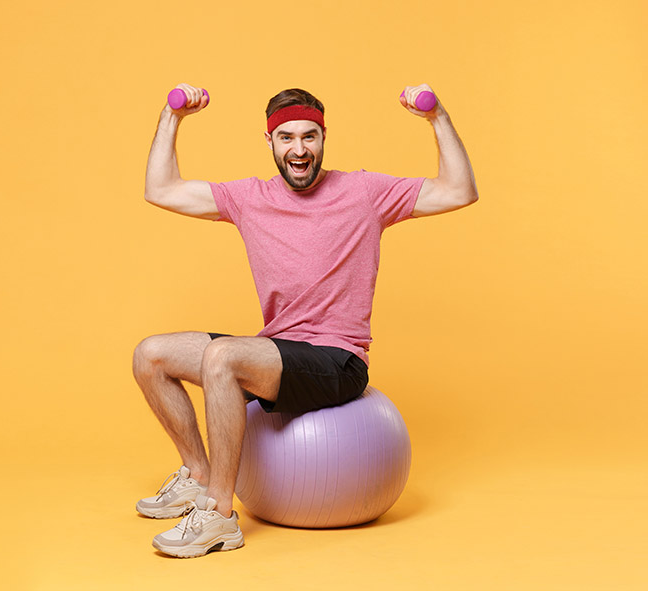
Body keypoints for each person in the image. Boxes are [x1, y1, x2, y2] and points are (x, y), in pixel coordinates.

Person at [134, 83, 478, 558]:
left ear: (323, 138)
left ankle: (219, 515)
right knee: (150, 356)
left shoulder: (365, 193)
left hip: (337, 361)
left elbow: (459, 190)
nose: (299, 149)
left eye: (309, 136)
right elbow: (160, 189)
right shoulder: (248, 198)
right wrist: (173, 117)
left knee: (222, 357)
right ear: (270, 142)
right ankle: (197, 475)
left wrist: (437, 116)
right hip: (278, 352)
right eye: (287, 138)